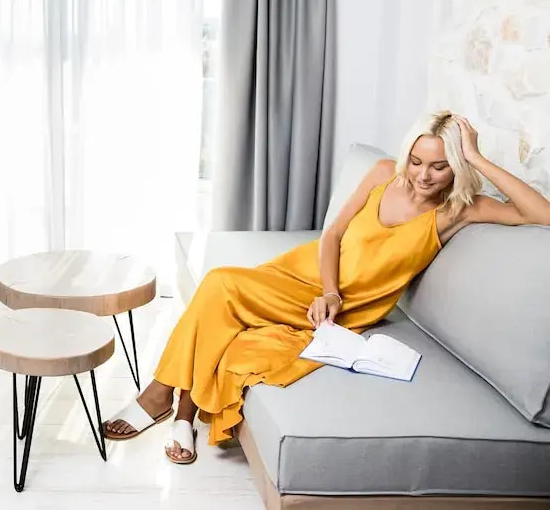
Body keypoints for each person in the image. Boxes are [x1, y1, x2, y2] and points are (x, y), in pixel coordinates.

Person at [103, 111, 550, 464]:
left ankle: (172, 405)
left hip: (348, 311)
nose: (423, 176)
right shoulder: (383, 173)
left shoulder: (460, 210)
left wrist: (476, 157)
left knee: (228, 316)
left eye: (440, 166)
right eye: (416, 161)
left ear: (456, 166)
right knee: (220, 285)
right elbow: (332, 234)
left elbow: (541, 214)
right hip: (307, 281)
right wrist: (330, 291)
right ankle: (171, 404)